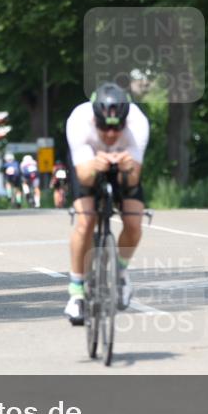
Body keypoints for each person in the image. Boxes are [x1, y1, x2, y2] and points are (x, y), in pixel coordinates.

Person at [64, 82, 150, 325]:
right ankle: (76, 292)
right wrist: (95, 166)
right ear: (94, 120)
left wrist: (126, 168)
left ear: (125, 121)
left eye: (117, 128)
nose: (111, 135)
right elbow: (83, 177)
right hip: (88, 165)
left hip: (124, 166)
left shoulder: (138, 124)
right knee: (86, 221)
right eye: (104, 127)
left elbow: (134, 178)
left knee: (134, 223)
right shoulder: (79, 121)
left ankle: (120, 273)